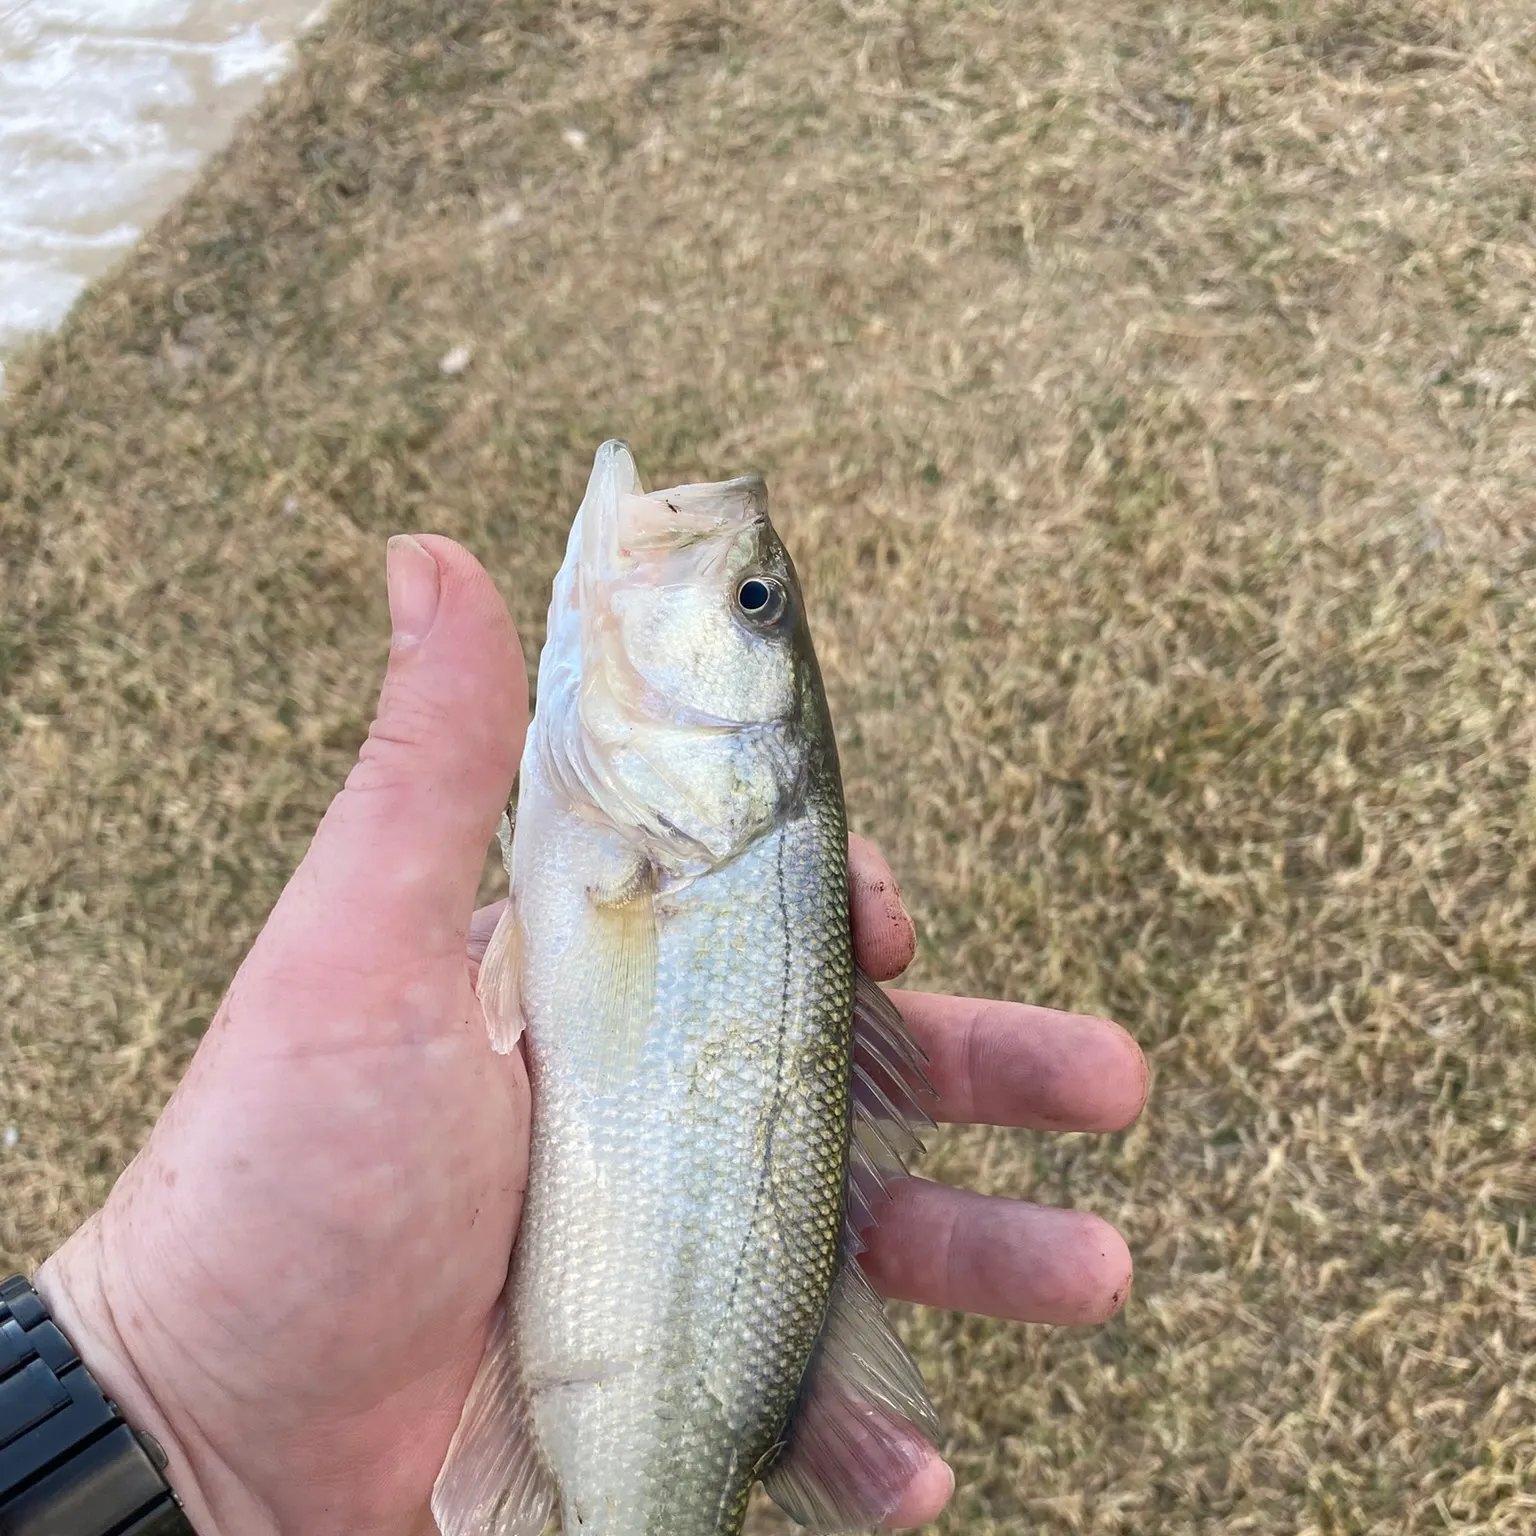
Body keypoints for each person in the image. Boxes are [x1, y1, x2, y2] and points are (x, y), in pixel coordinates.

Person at [31, 536, 1147, 1535]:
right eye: (756, 599)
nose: (726, 573)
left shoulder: (642, 825)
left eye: (750, 601)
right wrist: (172, 1403)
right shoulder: (632, 824)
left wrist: (164, 1409)